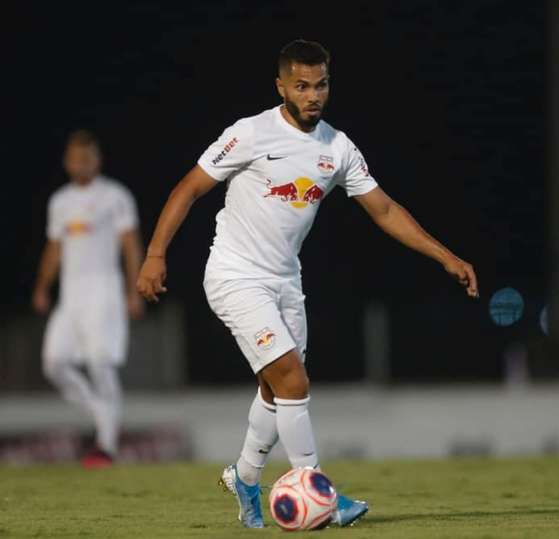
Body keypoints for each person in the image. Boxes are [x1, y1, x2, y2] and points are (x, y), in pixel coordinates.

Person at [136, 39, 478, 528]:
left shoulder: (337, 147)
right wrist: (154, 255)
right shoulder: (250, 134)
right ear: (281, 87)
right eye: (301, 86)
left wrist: (445, 255)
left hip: (285, 281)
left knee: (276, 392)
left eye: (320, 85)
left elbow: (383, 209)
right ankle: (319, 491)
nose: (313, 95)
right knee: (293, 378)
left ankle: (246, 475)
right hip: (236, 275)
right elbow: (189, 188)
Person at [33, 129, 144, 468]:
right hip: (71, 292)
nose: (80, 164)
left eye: (87, 157)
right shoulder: (60, 201)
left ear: (97, 160)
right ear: (67, 162)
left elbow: (129, 242)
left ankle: (106, 445)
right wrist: (41, 286)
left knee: (99, 361)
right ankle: (101, 411)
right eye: (75, 158)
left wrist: (133, 289)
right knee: (54, 362)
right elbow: (55, 248)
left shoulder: (115, 196)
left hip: (104, 289)